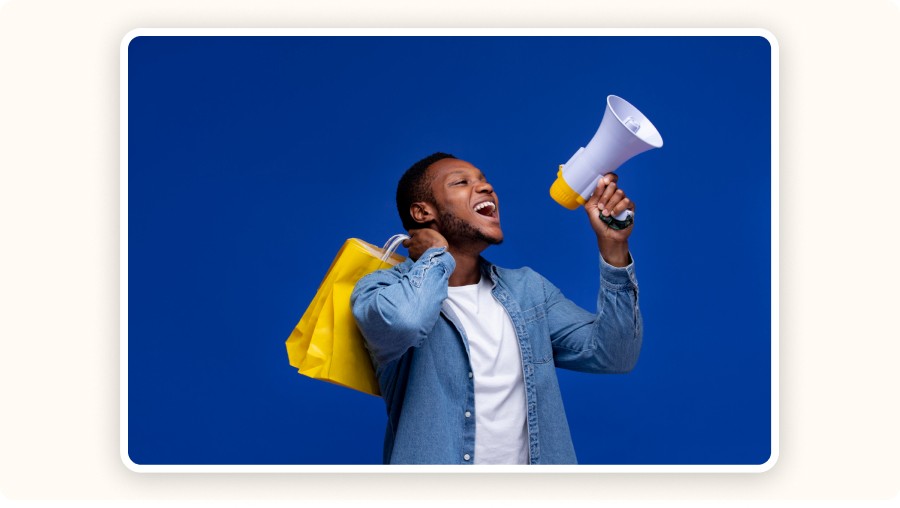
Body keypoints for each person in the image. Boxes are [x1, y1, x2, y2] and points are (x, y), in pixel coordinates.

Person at [350, 152, 642, 464]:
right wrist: (436, 255)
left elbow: (616, 355)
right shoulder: (380, 289)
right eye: (462, 182)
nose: (486, 187)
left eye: (484, 180)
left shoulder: (529, 291)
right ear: (422, 212)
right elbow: (406, 322)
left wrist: (614, 248)